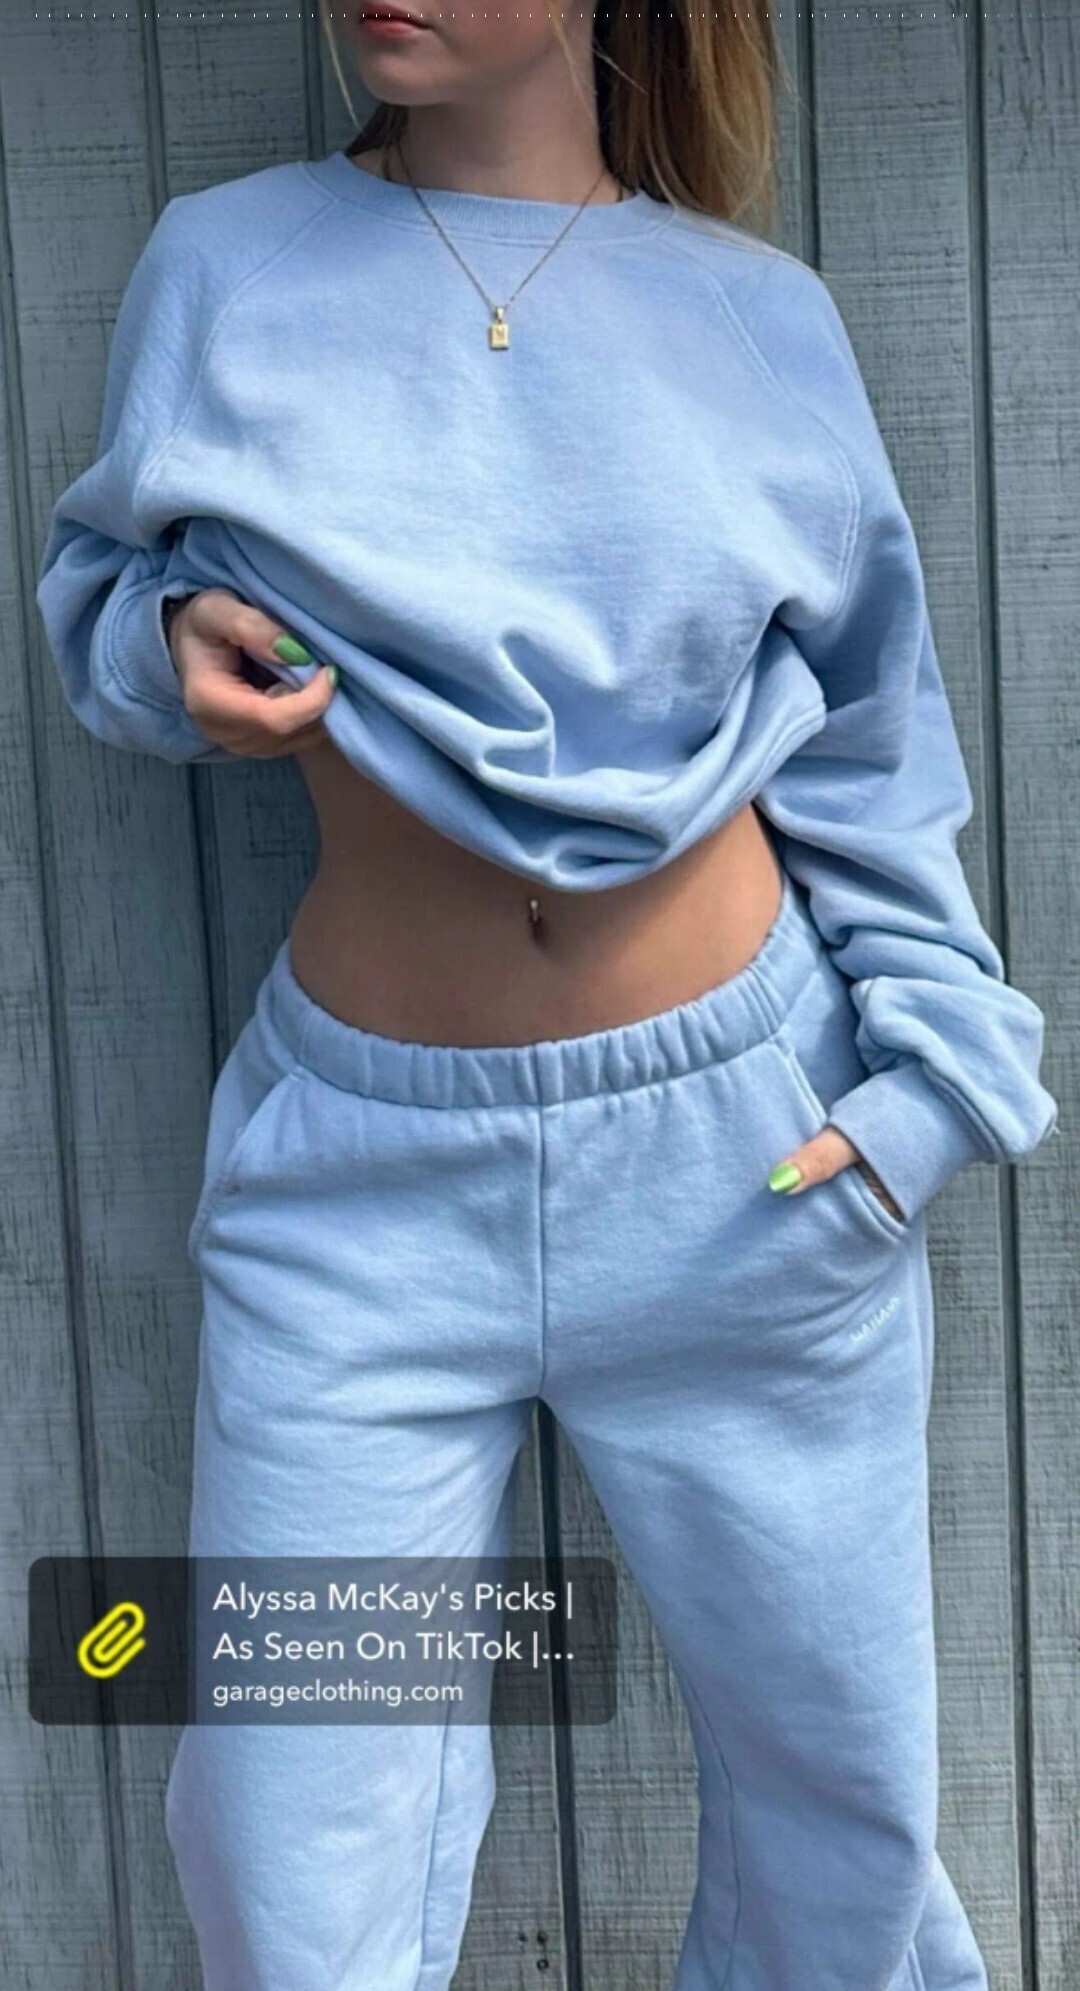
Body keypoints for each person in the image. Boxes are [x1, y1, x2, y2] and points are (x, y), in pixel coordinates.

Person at [35, 1, 1057, 1986]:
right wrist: (172, 640)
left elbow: (872, 743)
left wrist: (922, 1098)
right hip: (360, 1199)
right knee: (290, 1842)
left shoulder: (759, 319)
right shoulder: (224, 264)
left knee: (837, 1818)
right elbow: (99, 596)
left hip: (750, 1169)